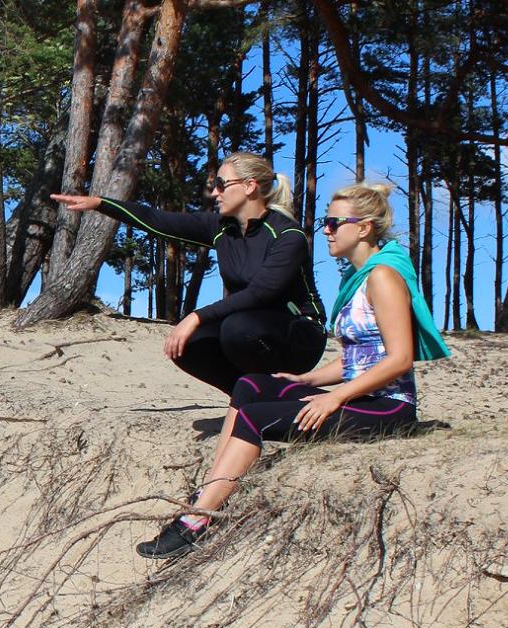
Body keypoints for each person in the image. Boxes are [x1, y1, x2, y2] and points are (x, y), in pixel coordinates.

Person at [136, 183, 451, 559]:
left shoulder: (383, 277)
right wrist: (308, 381)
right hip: (361, 394)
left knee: (255, 418)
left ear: (364, 228)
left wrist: (334, 398)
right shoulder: (362, 278)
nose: (326, 230)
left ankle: (199, 519)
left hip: (388, 409)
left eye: (334, 223)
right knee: (251, 386)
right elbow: (360, 357)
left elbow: (399, 359)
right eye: (325, 222)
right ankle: (211, 487)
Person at [50, 152, 326, 395]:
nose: (215, 193)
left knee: (236, 329)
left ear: (249, 187)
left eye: (221, 184)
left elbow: (260, 293)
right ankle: (250, 395)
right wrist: (100, 203)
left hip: (300, 335)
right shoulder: (221, 228)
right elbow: (158, 221)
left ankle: (272, 392)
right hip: (252, 327)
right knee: (190, 344)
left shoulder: (288, 235)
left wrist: (195, 316)